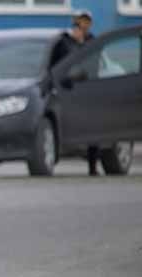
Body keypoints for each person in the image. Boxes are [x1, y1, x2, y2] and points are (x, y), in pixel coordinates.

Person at [50, 10, 100, 176]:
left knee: (93, 128)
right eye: (80, 22)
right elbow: (55, 66)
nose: (83, 25)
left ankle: (93, 166)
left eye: (86, 22)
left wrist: (82, 44)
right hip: (68, 89)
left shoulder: (92, 41)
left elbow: (94, 63)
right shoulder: (64, 42)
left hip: (87, 90)